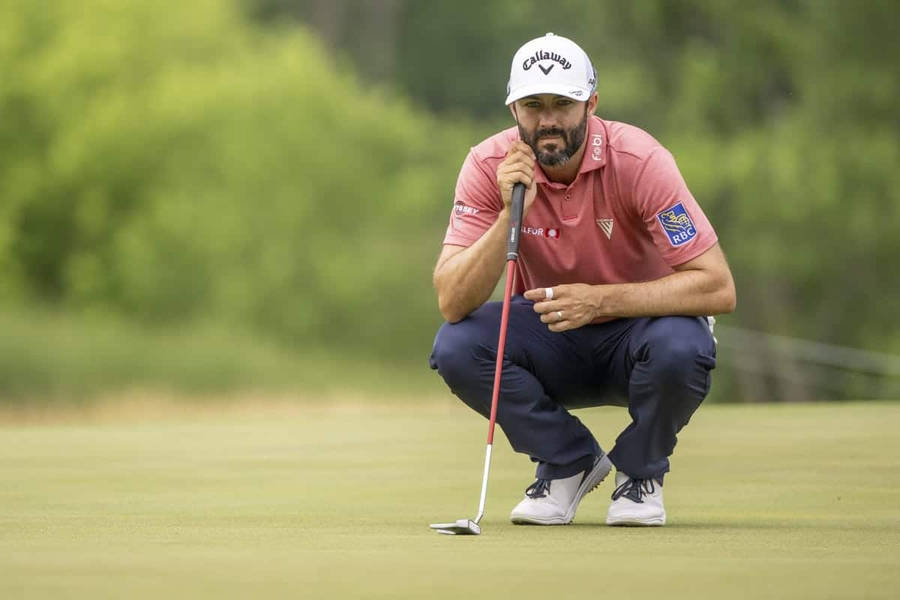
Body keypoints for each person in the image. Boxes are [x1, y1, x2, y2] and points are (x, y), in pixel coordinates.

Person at [429, 33, 736, 527]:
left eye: (563, 104)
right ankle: (568, 461)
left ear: (591, 104)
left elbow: (717, 286)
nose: (548, 119)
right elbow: (452, 300)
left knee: (683, 345)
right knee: (456, 346)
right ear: (513, 109)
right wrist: (508, 214)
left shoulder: (640, 161)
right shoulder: (488, 165)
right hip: (551, 337)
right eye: (533, 105)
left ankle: (640, 473)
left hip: (641, 337)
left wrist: (600, 302)